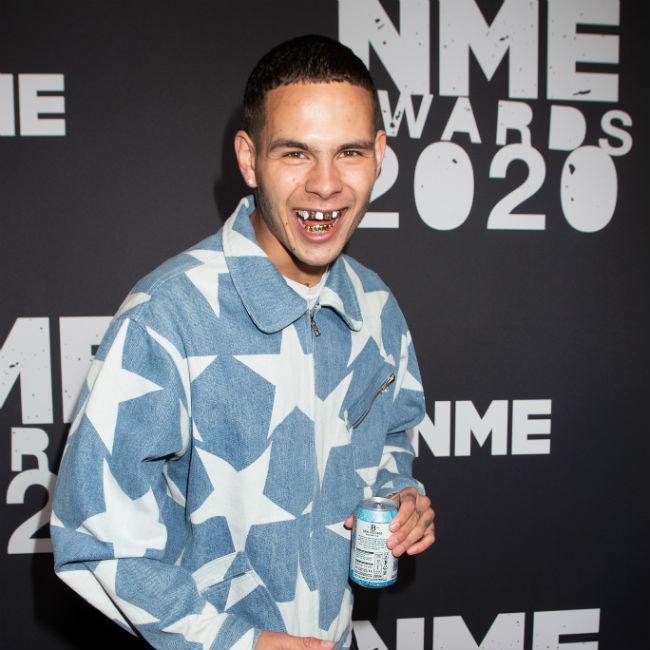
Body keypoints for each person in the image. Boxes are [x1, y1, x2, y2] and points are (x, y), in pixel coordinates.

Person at [51, 34, 435, 650]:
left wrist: (400, 496)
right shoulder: (167, 315)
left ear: (380, 155)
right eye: (295, 154)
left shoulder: (377, 305)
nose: (326, 185)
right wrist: (237, 643)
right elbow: (98, 541)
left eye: (349, 153)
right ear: (250, 159)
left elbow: (392, 437)